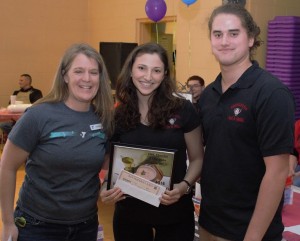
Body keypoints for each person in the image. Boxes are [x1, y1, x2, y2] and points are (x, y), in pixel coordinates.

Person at [198, 3, 295, 241]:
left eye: (234, 33)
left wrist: (252, 237)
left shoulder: (271, 93)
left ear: (251, 38)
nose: (224, 41)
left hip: (249, 231)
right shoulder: (208, 95)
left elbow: (277, 172)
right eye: (217, 34)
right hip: (208, 224)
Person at [0, 43, 114, 241]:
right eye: (78, 71)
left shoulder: (103, 118)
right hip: (37, 226)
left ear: (100, 78)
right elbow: (7, 168)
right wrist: (8, 223)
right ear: (65, 76)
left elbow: (106, 163)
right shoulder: (38, 115)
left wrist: (107, 185)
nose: (86, 78)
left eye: (93, 72)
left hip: (86, 225)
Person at [100, 42, 204, 241]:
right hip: (129, 214)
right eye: (141, 68)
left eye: (156, 70)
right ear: (131, 70)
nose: (148, 77)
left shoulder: (183, 109)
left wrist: (183, 187)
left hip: (174, 213)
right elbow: (111, 160)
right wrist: (106, 185)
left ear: (165, 74)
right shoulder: (118, 114)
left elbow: (198, 159)